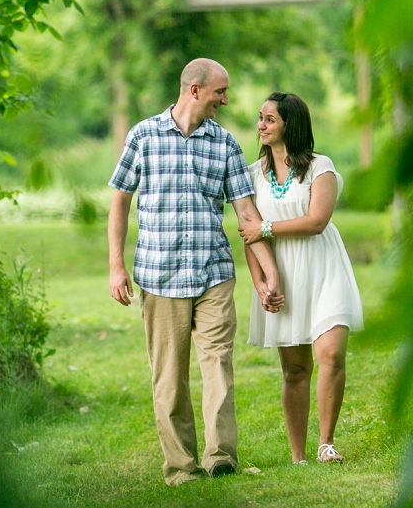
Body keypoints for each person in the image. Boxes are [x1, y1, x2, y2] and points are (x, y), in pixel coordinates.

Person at [107, 58, 284, 486]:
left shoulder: (224, 144)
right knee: (169, 377)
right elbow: (119, 202)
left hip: (213, 273)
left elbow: (246, 213)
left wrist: (269, 272)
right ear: (194, 90)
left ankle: (220, 456)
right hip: (159, 274)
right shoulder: (143, 136)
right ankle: (181, 467)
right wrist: (116, 264)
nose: (225, 100)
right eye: (220, 92)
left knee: (218, 365)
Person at [238, 91, 364, 465]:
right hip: (284, 276)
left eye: (270, 119)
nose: (261, 125)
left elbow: (316, 221)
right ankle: (298, 455)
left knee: (331, 354)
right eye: (260, 118)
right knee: (295, 369)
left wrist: (266, 226)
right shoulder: (251, 175)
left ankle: (326, 443)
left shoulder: (320, 168)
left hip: (323, 267)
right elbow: (249, 235)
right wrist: (261, 283)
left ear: (290, 125)